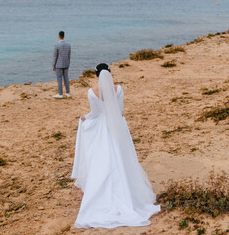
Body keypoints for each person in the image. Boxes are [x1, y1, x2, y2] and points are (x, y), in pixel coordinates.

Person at [71, 63, 160, 229]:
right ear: (110, 74)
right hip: (118, 126)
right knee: (121, 156)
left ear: (96, 75)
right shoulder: (118, 89)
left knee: (102, 158)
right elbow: (120, 111)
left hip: (101, 128)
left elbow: (96, 113)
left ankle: (101, 192)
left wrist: (85, 118)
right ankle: (126, 192)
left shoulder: (92, 92)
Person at [52, 31, 71, 98]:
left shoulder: (57, 45)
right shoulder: (68, 45)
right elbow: (69, 56)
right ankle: (68, 93)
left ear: (59, 36)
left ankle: (60, 94)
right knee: (66, 78)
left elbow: (55, 56)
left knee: (59, 78)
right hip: (66, 64)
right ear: (64, 36)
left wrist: (53, 65)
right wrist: (68, 63)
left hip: (59, 65)